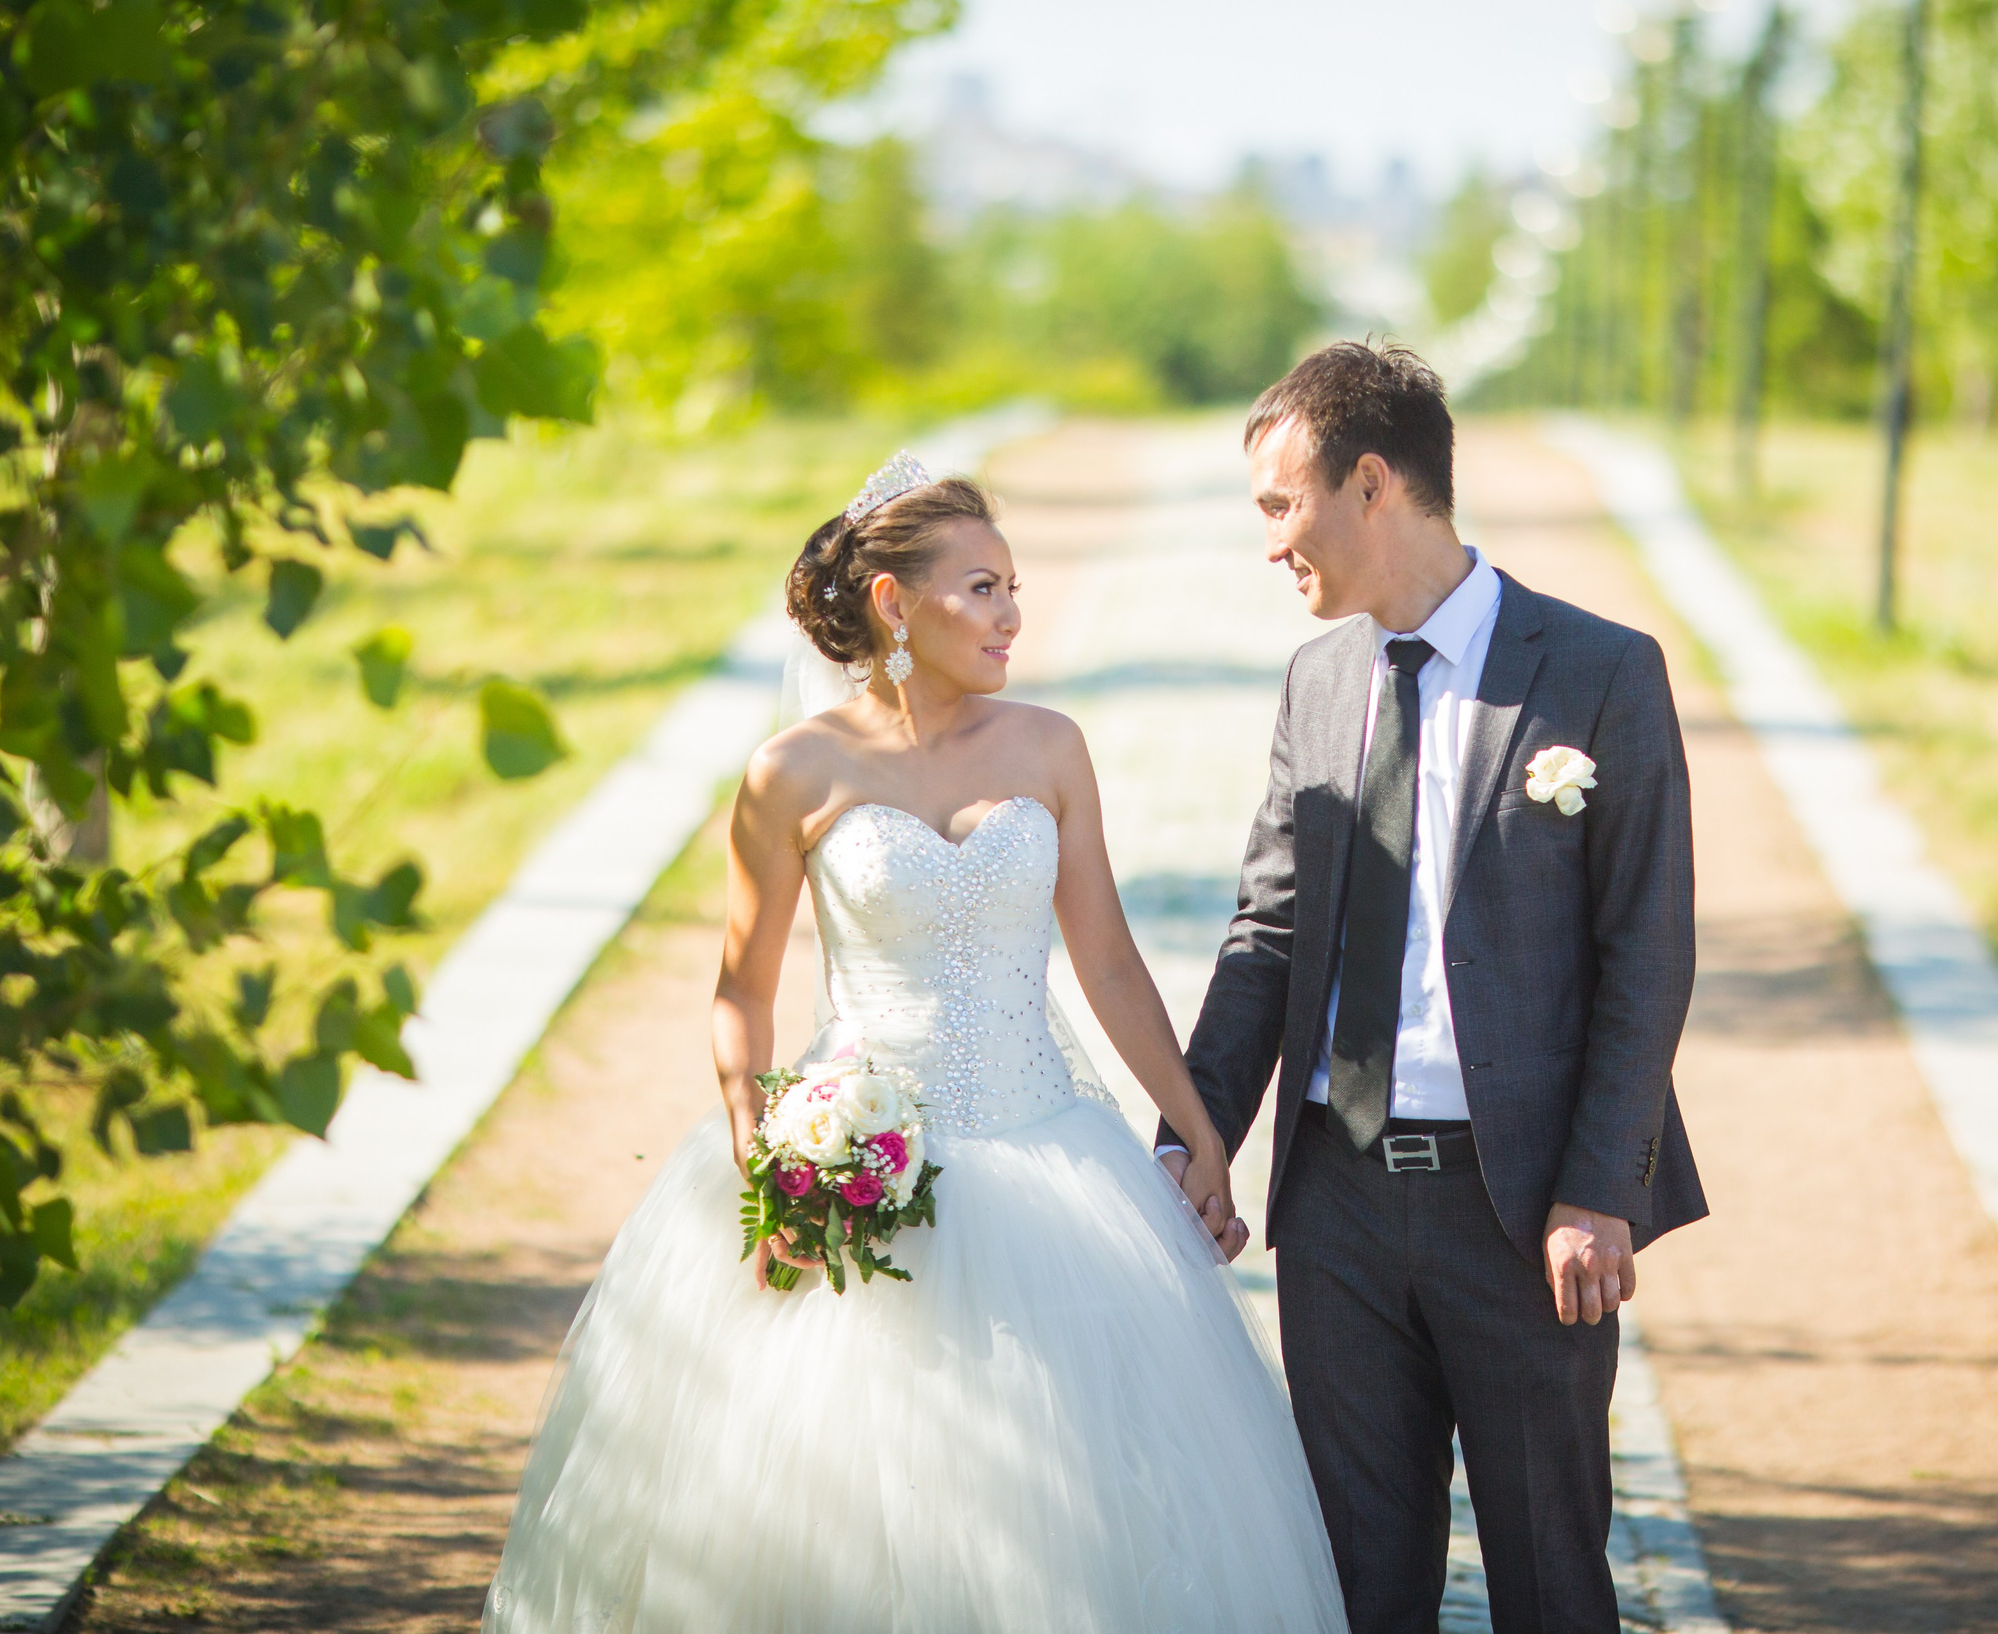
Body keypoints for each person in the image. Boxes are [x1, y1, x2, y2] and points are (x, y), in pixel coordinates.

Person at [482, 458, 1349, 1633]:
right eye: (981, 588)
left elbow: (1106, 967)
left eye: (1014, 588)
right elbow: (739, 992)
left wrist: (1198, 1131)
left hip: (1053, 1161)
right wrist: (768, 1167)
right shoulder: (794, 772)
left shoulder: (1049, 746)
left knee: (1068, 1504)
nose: (1010, 615)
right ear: (894, 604)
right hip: (860, 1159)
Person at [1159, 342, 1707, 1634]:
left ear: (1370, 484)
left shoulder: (1600, 671)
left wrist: (1597, 1189)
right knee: (1355, 1582)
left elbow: (1648, 950)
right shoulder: (1318, 681)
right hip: (1336, 1205)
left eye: (1278, 504)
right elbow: (1267, 934)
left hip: (1522, 1214)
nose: (1271, 541)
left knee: (1549, 1577)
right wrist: (1196, 1135)